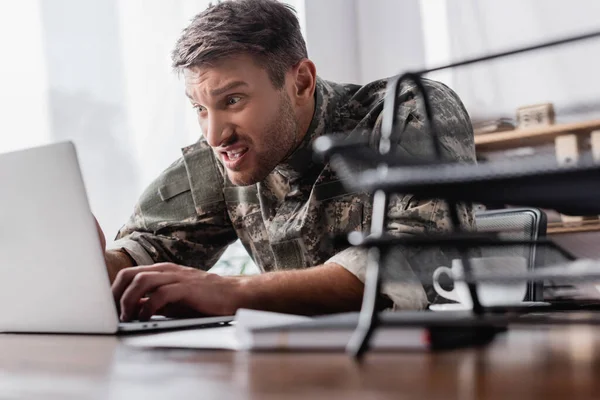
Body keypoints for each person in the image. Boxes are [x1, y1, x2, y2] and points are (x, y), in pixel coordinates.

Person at [101, 0, 476, 322]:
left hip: (419, 367)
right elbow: (147, 247)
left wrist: (232, 293)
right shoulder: (226, 153)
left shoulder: (405, 113)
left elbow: (412, 262)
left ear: (300, 82)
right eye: (200, 108)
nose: (215, 136)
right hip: (287, 370)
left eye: (233, 100)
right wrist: (87, 267)